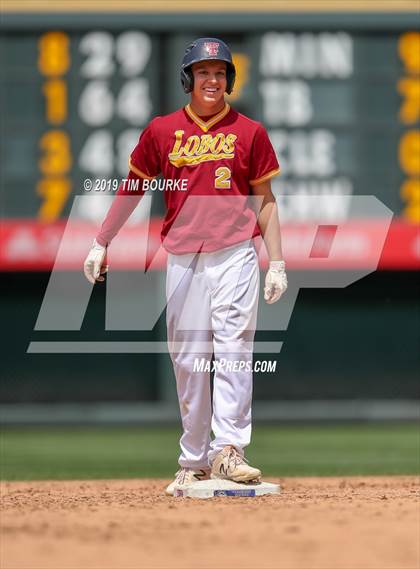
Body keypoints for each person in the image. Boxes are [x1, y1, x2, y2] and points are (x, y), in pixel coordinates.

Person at [84, 38, 287, 495]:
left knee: (234, 347)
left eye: (219, 73)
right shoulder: (162, 130)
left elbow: (266, 201)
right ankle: (194, 459)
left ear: (229, 80)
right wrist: (101, 242)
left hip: (236, 252)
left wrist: (277, 261)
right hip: (183, 256)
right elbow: (132, 188)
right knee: (189, 360)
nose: (211, 80)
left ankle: (229, 449)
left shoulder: (249, 131)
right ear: (188, 79)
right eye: (203, 72)